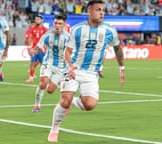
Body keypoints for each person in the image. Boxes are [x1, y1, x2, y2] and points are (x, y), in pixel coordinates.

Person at [47, 0, 125, 142]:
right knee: (64, 101)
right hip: (73, 70)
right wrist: (69, 66)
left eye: (103, 10)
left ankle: (73, 101)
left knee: (89, 105)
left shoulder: (109, 30)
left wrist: (122, 67)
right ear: (89, 11)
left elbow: (117, 48)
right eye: (98, 10)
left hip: (91, 74)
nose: (101, 13)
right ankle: (54, 130)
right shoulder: (77, 29)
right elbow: (67, 51)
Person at [31, 14, 70, 112]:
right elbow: (38, 47)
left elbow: (73, 52)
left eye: (60, 23)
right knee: (43, 83)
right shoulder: (47, 35)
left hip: (61, 67)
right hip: (48, 63)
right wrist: (34, 51)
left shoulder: (68, 38)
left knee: (50, 90)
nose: (57, 25)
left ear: (64, 25)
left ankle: (58, 84)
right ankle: (37, 105)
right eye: (55, 23)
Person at [25, 15, 48, 83]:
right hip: (34, 49)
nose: (36, 20)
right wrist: (29, 48)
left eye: (38, 19)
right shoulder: (33, 29)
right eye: (36, 19)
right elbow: (29, 38)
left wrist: (46, 49)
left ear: (41, 20)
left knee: (43, 64)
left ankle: (46, 77)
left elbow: (47, 39)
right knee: (32, 63)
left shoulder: (44, 29)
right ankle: (31, 78)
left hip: (42, 49)